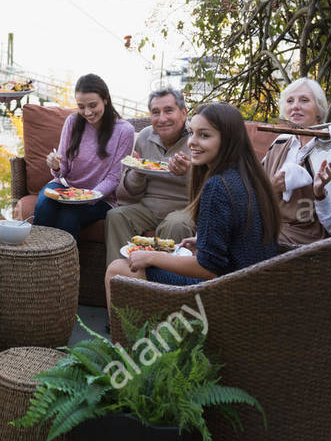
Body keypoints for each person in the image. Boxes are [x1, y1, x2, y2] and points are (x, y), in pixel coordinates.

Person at [103, 103, 279, 309]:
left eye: (204, 135)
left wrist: (151, 256)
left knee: (117, 269)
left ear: (229, 139)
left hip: (227, 294)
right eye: (192, 133)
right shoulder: (248, 176)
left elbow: (208, 269)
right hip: (253, 286)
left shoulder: (217, 186)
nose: (193, 142)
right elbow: (239, 236)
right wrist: (201, 240)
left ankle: (124, 340)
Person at [263, 77, 331, 248]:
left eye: (304, 100)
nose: (295, 106)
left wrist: (320, 193)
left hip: (307, 242)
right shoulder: (280, 142)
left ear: (319, 109)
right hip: (273, 228)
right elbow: (255, 194)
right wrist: (272, 187)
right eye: (290, 101)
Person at [35, 73, 136, 239]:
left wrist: (85, 197)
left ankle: (61, 263)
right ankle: (36, 256)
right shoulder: (72, 122)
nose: (87, 112)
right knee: (44, 205)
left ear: (106, 99)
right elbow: (63, 169)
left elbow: (114, 177)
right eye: (81, 107)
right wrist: (56, 166)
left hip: (100, 198)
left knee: (69, 216)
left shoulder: (124, 131)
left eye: (92, 105)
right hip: (66, 187)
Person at [104, 86, 196, 261]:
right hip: (148, 207)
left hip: (185, 208)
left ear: (183, 113)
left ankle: (164, 284)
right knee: (116, 216)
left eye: (169, 111)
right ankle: (122, 278)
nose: (162, 119)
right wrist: (138, 172)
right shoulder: (145, 136)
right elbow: (128, 192)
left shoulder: (196, 137)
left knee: (175, 223)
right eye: (155, 112)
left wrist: (188, 171)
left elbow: (211, 183)